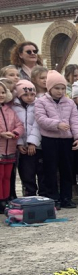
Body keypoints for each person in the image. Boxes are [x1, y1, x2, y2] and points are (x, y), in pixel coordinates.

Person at [34, 71, 78, 209]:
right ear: (49, 88)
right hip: (50, 140)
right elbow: (41, 119)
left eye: (63, 88)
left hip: (66, 140)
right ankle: (53, 198)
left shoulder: (70, 103)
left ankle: (66, 198)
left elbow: (75, 120)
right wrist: (57, 124)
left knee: (67, 170)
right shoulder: (41, 102)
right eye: (57, 88)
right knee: (50, 170)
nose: (60, 91)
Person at [12, 80, 44, 197]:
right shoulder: (14, 107)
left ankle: (43, 195)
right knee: (27, 173)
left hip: (37, 145)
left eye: (32, 94)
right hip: (22, 147)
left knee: (41, 172)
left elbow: (38, 124)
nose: (29, 97)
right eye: (25, 95)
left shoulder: (38, 105)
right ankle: (29, 195)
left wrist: (32, 143)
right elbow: (15, 125)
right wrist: (19, 143)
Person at [0, 80, 24, 210]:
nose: (1, 95)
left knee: (7, 176)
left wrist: (15, 133)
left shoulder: (9, 110)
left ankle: (5, 199)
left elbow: (20, 125)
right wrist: (2, 133)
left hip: (10, 149)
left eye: (3, 92)